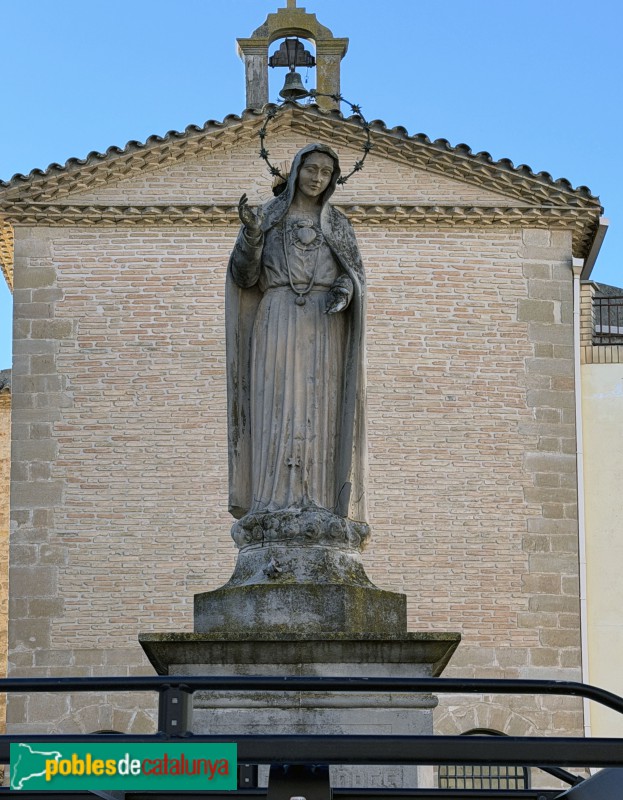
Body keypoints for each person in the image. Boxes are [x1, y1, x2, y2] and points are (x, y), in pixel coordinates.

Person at [226, 143, 367, 531]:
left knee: (321, 408)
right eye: (311, 169)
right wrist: (252, 237)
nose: (317, 177)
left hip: (326, 325)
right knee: (276, 404)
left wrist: (346, 289)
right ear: (295, 171)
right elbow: (245, 277)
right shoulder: (267, 218)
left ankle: (320, 501)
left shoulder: (338, 226)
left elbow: (355, 277)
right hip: (276, 318)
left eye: (326, 172)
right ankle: (270, 502)